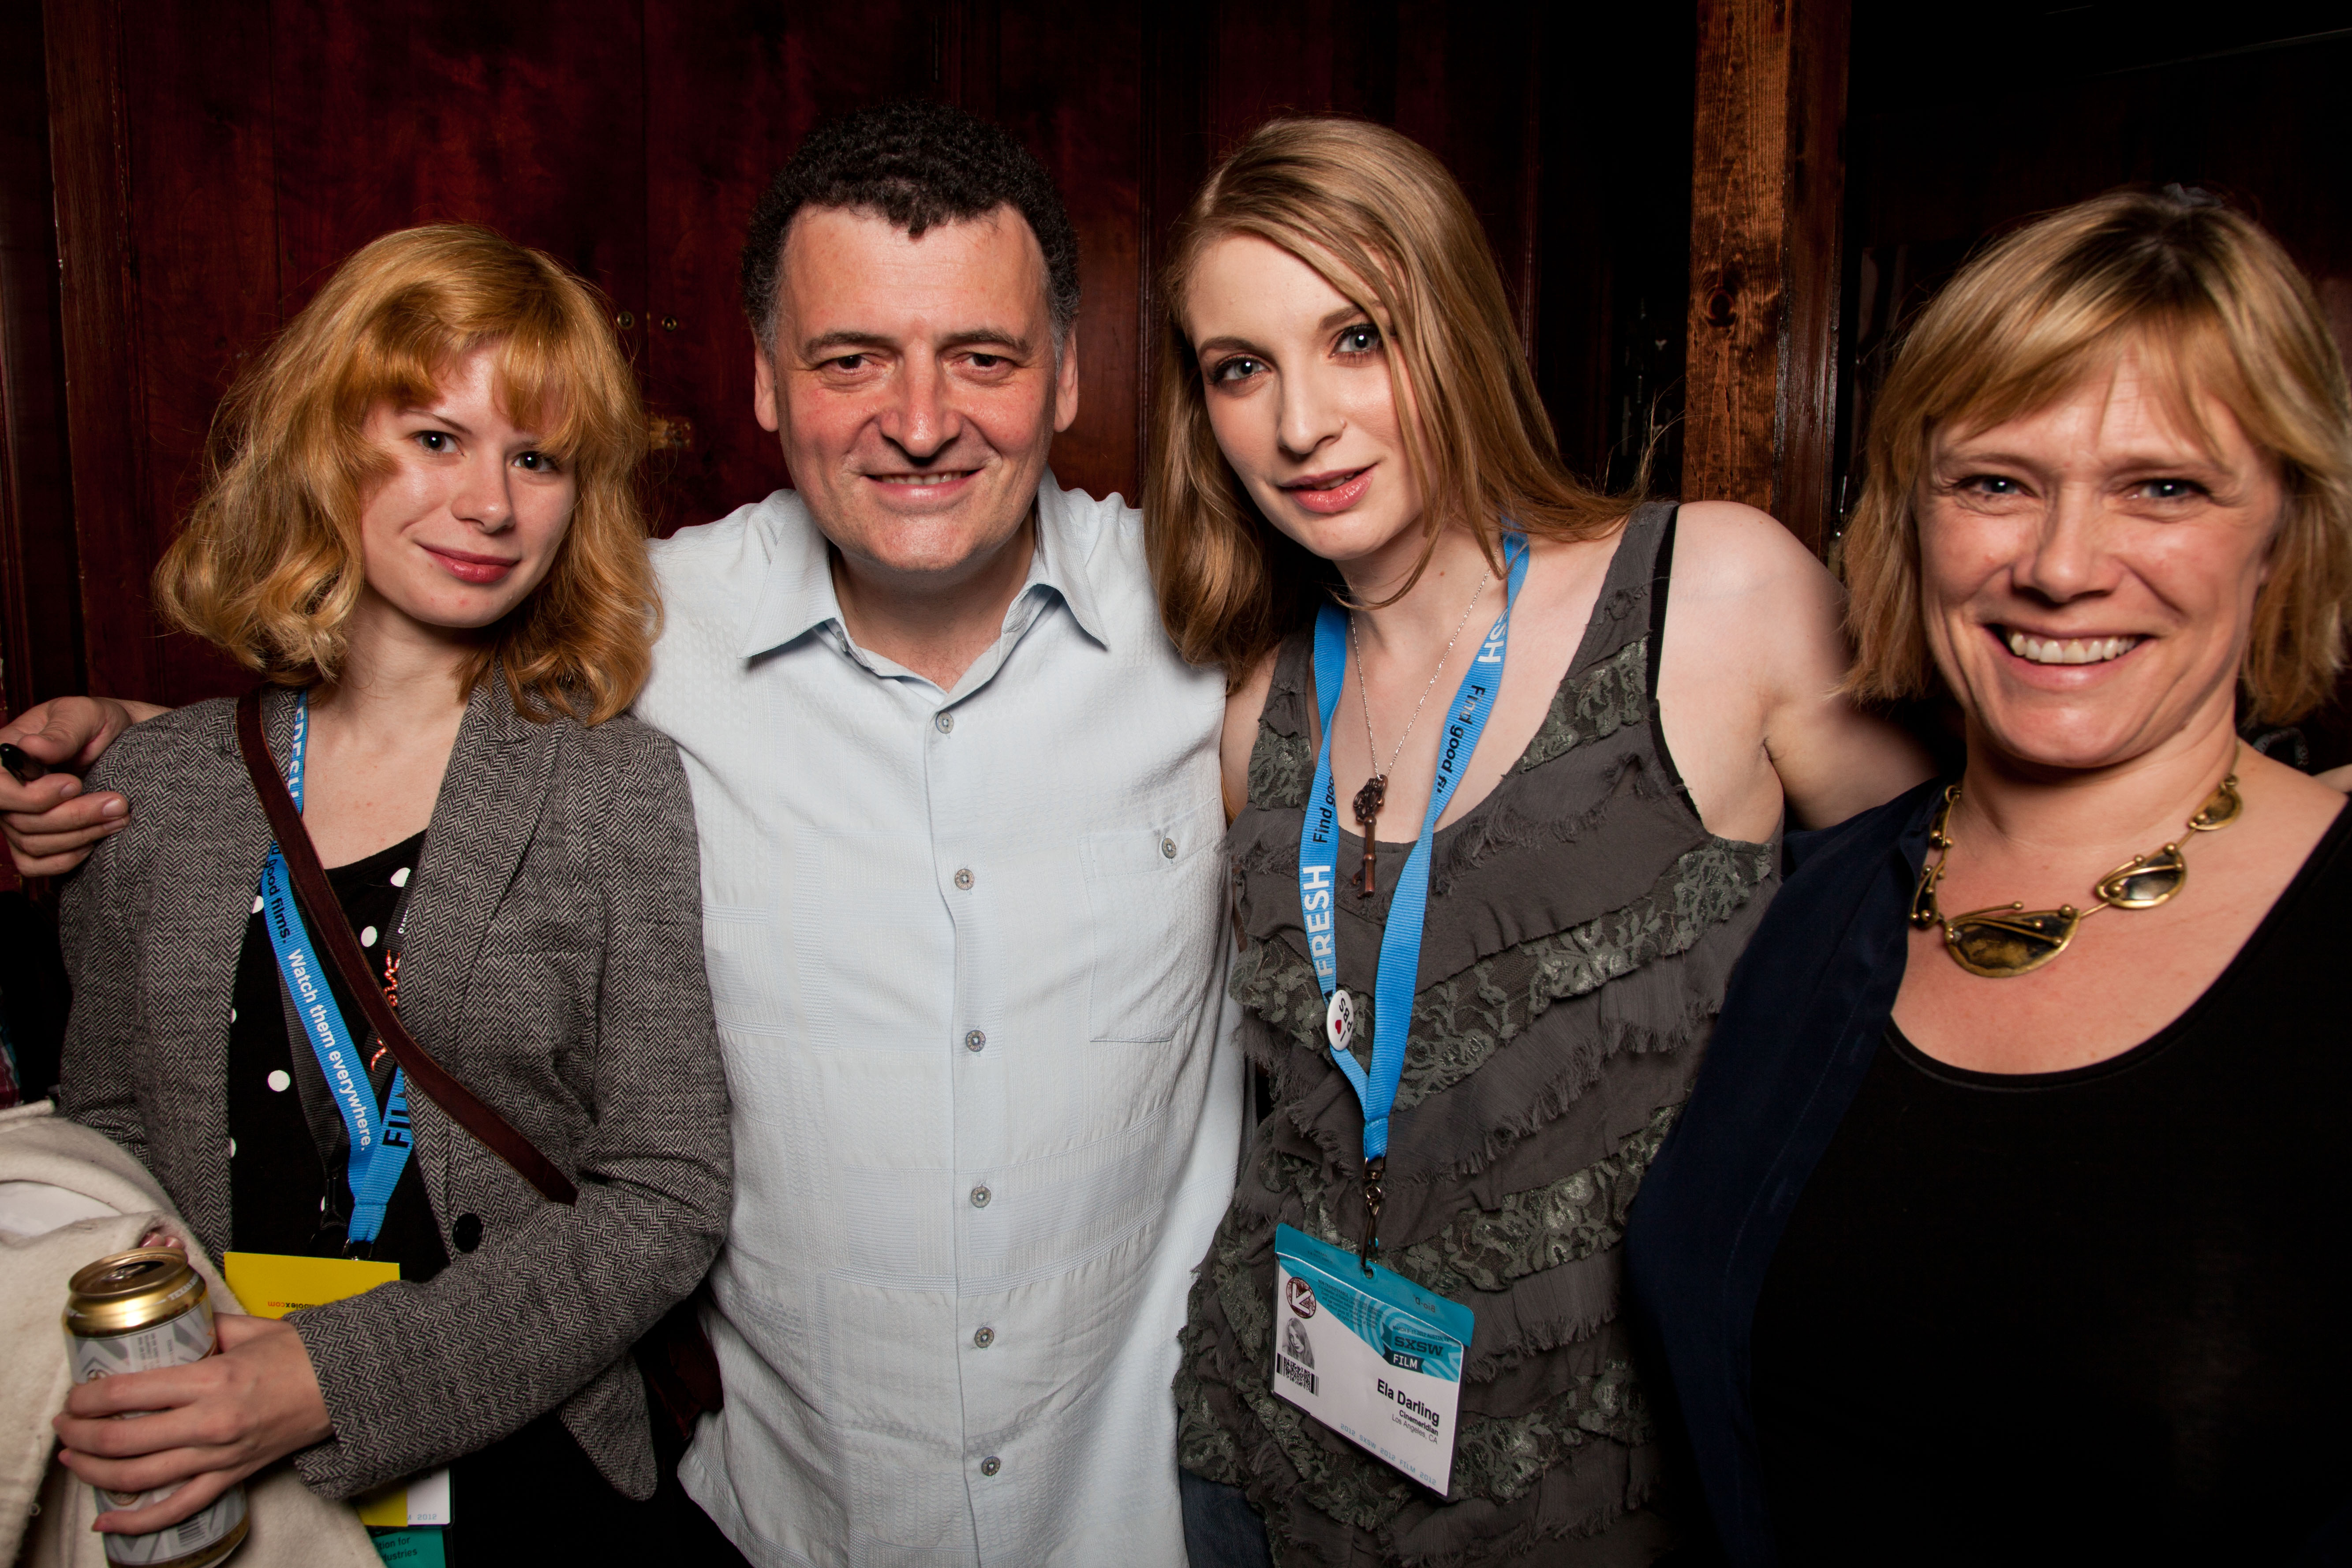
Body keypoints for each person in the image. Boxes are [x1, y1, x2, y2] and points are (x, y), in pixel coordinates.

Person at [4, 103, 1240, 1567]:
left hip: (1133, 1514)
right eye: (851, 360)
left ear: (1071, 375)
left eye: (983, 355)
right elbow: (392, 675)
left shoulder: (1212, 617)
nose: (920, 421)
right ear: (769, 383)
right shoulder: (649, 625)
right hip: (783, 1521)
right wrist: (149, 764)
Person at [1148, 118, 1930, 1566]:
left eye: (1359, 336)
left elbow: (1953, 956)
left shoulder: (1713, 595)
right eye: (1239, 368)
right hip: (1263, 1468)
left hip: (1601, 1501)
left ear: (1458, 328)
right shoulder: (1260, 710)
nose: (1300, 422)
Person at [1625, 188, 2352, 1565]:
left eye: (2166, 487)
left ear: (2285, 527)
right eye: (1997, 481)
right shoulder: (1823, 900)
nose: (2063, 566)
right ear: (1915, 513)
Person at [43, 224, 741, 1563]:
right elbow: (107, 1137)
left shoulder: (613, 788)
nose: (491, 503)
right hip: (218, 1486)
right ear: (327, 442)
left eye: (535, 457)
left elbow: (667, 1189)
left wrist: (327, 1379)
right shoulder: (161, 789)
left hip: (531, 1481)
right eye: (435, 437)